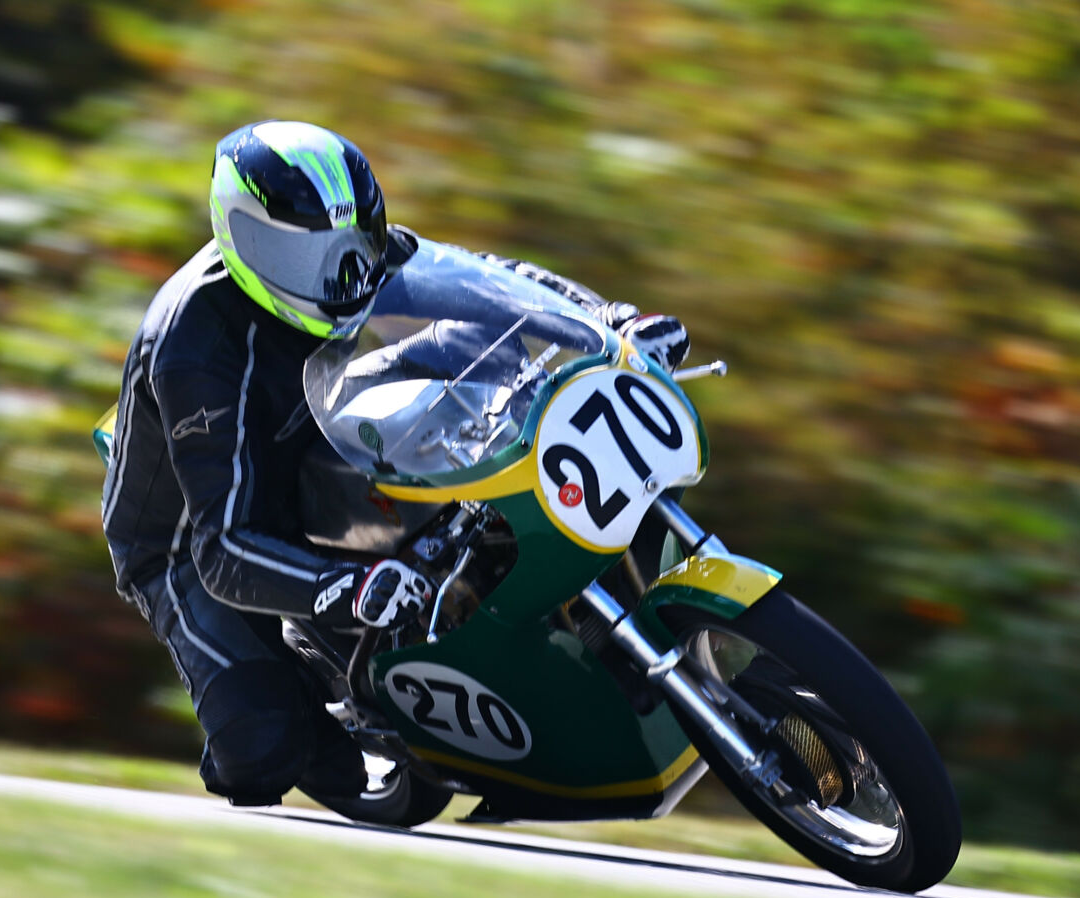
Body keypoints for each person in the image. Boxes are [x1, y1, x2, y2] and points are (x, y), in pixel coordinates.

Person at [101, 120, 689, 807]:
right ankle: (304, 680)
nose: (339, 274)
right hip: (193, 539)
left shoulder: (358, 258)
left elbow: (495, 286)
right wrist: (346, 588)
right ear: (241, 239)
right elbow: (221, 546)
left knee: (484, 346)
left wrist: (608, 324)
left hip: (317, 437)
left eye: (351, 242)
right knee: (263, 755)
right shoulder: (193, 345)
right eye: (301, 254)